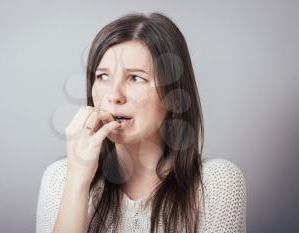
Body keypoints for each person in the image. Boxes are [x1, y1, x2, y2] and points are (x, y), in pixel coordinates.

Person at [36, 12, 246, 233]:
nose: (114, 95)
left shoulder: (217, 183)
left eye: (136, 78)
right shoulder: (60, 178)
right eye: (103, 77)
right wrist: (76, 182)